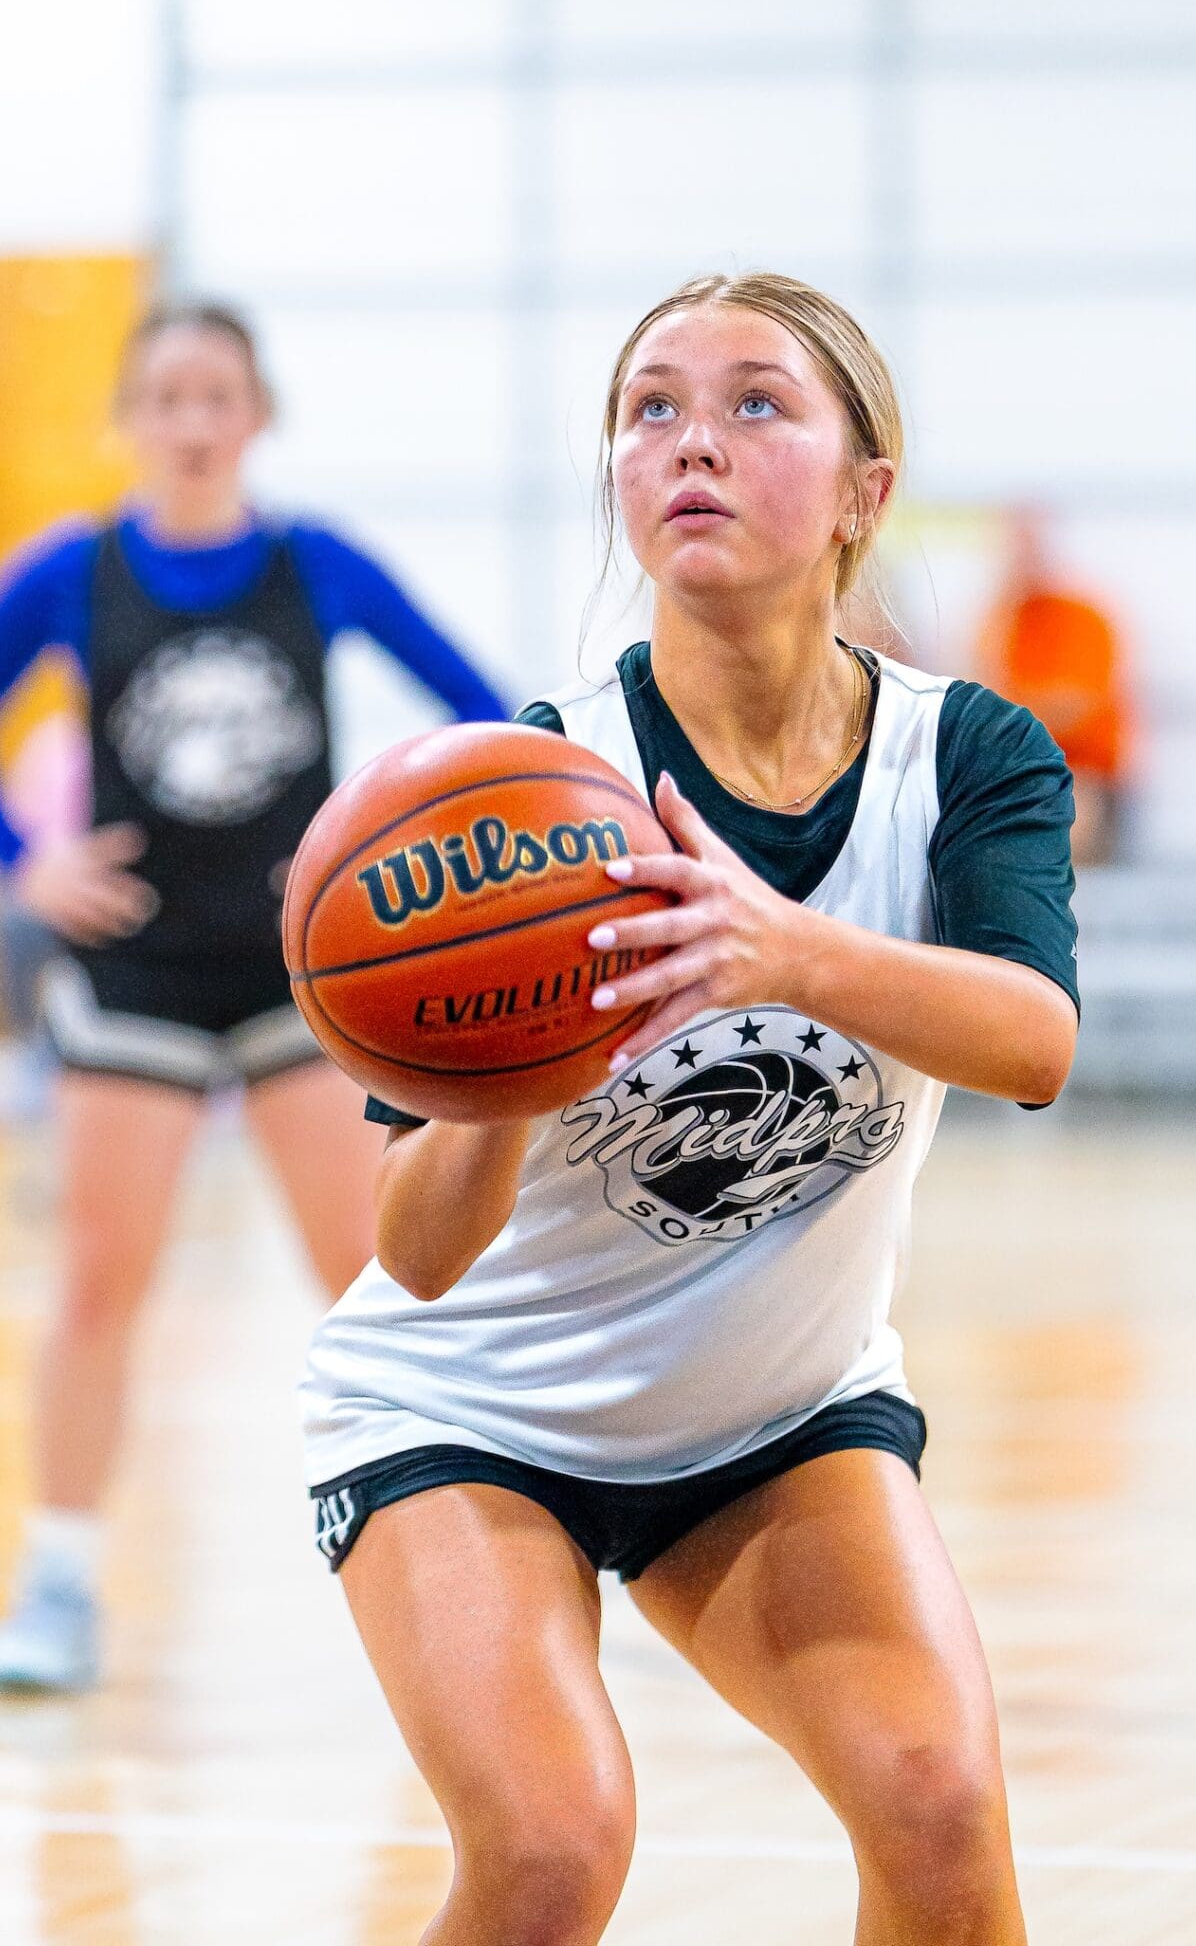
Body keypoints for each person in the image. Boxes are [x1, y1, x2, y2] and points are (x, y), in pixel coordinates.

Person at [301, 272, 1078, 1946]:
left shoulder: (965, 755)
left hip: (770, 1417)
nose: (689, 444)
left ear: (864, 492)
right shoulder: (527, 784)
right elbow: (417, 1254)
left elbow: (1031, 1043)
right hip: (471, 1411)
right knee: (551, 1852)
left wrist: (782, 952)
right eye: (648, 408)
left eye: (751, 404)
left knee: (938, 1814)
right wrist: (522, 1079)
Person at [0, 301, 508, 1697]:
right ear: (129, 416)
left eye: (214, 396)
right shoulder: (68, 572)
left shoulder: (320, 564)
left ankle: (467, 1562)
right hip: (132, 972)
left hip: (305, 977)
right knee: (97, 1280)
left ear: (256, 416)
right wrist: (22, 863)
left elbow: (482, 715)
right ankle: (58, 1580)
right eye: (164, 396)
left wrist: (416, 865)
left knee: (375, 1288)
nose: (189, 421)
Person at [975, 508, 1133, 866]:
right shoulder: (1004, 622)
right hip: (1021, 776)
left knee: (1065, 812)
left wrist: (1012, 709)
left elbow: (1075, 710)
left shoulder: (1083, 618)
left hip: (1083, 776)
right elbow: (980, 698)